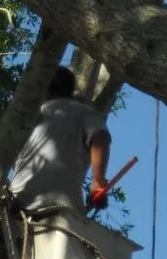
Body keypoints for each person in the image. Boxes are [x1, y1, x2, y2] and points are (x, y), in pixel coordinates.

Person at [8, 65, 112, 214]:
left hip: (18, 204)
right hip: (58, 206)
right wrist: (98, 182)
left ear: (48, 89)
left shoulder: (32, 116)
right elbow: (100, 136)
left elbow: (99, 136)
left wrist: (98, 183)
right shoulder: (82, 111)